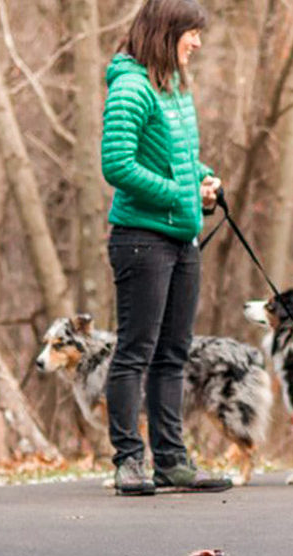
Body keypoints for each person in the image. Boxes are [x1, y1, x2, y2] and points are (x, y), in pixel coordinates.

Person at [101, 0, 229, 495]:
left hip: (182, 236)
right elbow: (117, 166)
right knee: (135, 352)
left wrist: (204, 179)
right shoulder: (131, 87)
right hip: (141, 239)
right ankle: (128, 462)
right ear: (164, 31)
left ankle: (172, 462)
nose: (197, 42)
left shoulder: (172, 86)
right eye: (190, 32)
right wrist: (182, 193)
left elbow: (178, 158)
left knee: (173, 354)